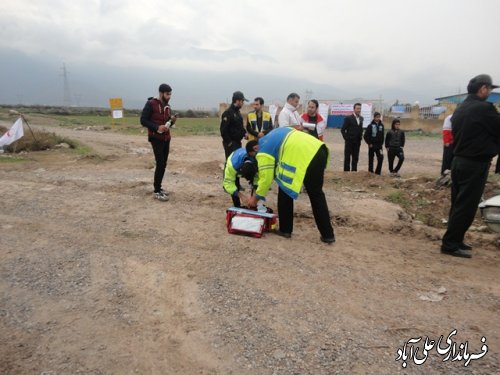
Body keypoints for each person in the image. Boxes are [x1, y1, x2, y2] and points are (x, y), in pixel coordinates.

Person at [441, 74, 500, 258]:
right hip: (474, 163)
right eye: (489, 89)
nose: (490, 93)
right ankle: (450, 244)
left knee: (458, 203)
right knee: (466, 205)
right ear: (482, 89)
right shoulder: (484, 108)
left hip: (458, 161)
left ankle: (455, 239)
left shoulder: (461, 108)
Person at [247, 127, 335, 244]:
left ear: (256, 148)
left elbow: (266, 179)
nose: (256, 157)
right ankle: (327, 235)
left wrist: (255, 198)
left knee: (284, 188)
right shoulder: (278, 131)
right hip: (319, 149)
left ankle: (285, 229)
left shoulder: (263, 149)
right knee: (316, 194)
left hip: (304, 156)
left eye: (254, 155)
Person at [140, 83, 177, 201]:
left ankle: (159, 188)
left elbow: (167, 124)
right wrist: (156, 127)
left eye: (170, 94)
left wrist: (172, 121)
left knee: (164, 164)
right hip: (156, 138)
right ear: (161, 93)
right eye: (167, 94)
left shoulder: (168, 107)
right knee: (160, 163)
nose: (169, 96)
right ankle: (156, 191)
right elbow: (143, 120)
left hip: (166, 138)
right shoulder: (151, 104)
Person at [223, 140, 259, 208]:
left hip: (249, 164)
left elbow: (257, 180)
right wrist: (241, 196)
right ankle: (237, 206)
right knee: (234, 185)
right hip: (234, 159)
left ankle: (252, 204)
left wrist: (254, 197)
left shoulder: (257, 163)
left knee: (254, 187)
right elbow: (228, 183)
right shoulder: (232, 166)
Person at [220, 91, 248, 159]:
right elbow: (223, 130)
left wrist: (244, 134)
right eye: (242, 101)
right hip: (231, 143)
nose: (243, 103)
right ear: (237, 101)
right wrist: (229, 143)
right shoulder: (228, 113)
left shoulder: (237, 112)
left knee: (235, 163)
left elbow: (239, 126)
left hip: (237, 142)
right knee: (230, 163)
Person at [341, 103, 363, 171]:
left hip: (357, 142)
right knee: (347, 158)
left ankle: (354, 172)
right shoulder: (348, 118)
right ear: (354, 109)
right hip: (349, 142)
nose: (359, 110)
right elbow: (343, 130)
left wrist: (360, 136)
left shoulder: (361, 118)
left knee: (355, 157)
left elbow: (360, 128)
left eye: (360, 108)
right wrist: (347, 138)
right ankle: (346, 172)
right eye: (357, 108)